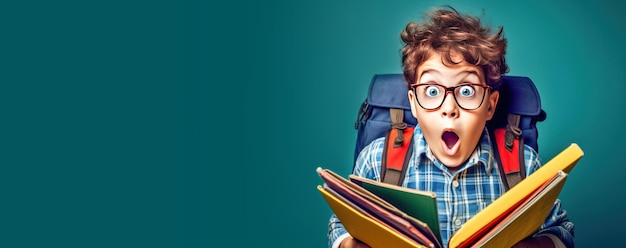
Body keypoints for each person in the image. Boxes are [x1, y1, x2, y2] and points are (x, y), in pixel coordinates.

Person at [327, 6, 574, 248]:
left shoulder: (525, 164)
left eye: (466, 91)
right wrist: (348, 243)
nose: (449, 108)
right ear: (413, 103)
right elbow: (341, 224)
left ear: (490, 105)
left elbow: (561, 231)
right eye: (432, 91)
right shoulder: (376, 160)